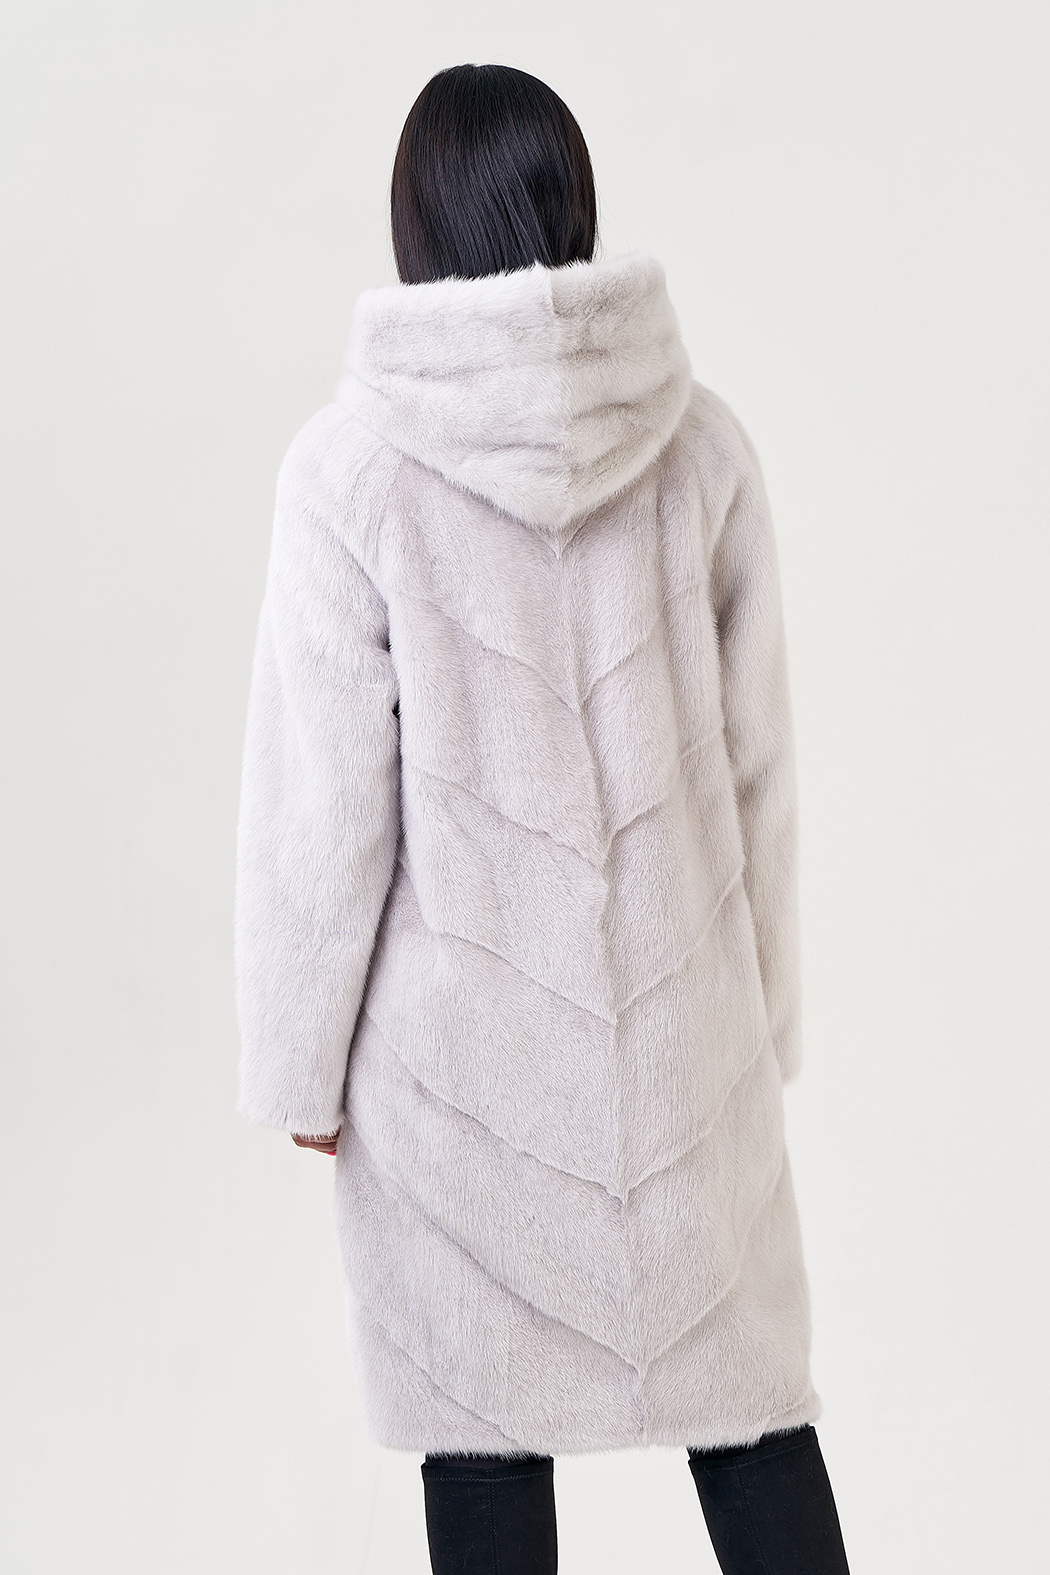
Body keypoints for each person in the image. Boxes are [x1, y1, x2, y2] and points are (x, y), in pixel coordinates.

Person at [235, 61, 851, 1575]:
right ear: (573, 202)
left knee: (484, 1447)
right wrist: (761, 1019)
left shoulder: (352, 473)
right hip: (684, 1056)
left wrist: (299, 1063)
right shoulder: (701, 448)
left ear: (416, 223)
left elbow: (320, 809)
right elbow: (761, 767)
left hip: (460, 1079)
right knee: (751, 1421)